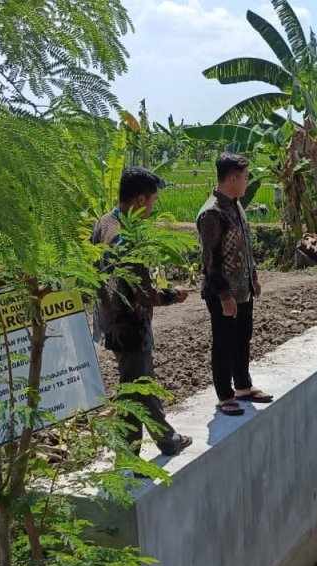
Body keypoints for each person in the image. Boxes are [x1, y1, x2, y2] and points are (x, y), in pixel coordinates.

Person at [91, 166, 193, 456]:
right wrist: (174, 294)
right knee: (135, 390)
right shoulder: (126, 239)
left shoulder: (104, 223)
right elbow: (144, 294)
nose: (151, 209)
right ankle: (130, 455)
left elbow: (92, 273)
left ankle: (166, 441)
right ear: (139, 201)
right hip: (131, 326)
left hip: (111, 322)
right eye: (152, 202)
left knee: (139, 384)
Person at [198, 152, 273, 416]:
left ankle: (243, 385)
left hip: (243, 289)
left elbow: (245, 246)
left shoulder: (235, 205)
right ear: (231, 178)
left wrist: (253, 277)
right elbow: (210, 261)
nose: (247, 181)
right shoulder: (212, 213)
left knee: (243, 337)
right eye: (244, 177)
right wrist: (224, 295)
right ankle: (224, 395)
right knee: (224, 342)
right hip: (224, 293)